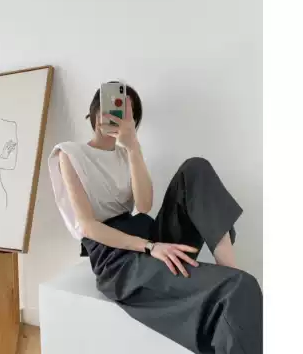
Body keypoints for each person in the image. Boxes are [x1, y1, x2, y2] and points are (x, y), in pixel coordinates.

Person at [48, 82, 262, 354]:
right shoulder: (69, 153)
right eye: (111, 107)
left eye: (127, 113)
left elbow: (144, 205)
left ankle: (230, 268)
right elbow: (88, 227)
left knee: (195, 168)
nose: (116, 116)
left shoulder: (127, 153)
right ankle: (232, 282)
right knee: (240, 288)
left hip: (148, 235)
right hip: (117, 258)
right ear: (94, 111)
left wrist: (133, 148)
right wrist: (150, 247)